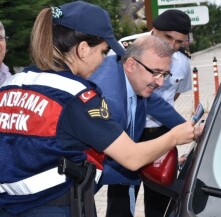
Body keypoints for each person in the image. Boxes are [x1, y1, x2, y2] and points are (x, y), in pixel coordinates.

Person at [0, 2, 194, 216]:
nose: (104, 60)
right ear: (83, 49)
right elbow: (132, 157)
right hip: (55, 207)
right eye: (103, 52)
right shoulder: (76, 96)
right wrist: (175, 137)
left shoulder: (12, 84)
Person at [89, 35, 190, 217]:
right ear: (131, 65)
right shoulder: (111, 103)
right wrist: (151, 159)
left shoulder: (134, 77)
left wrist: (191, 129)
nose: (160, 82)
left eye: (165, 74)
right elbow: (120, 160)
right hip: (75, 183)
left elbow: (155, 104)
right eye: (156, 72)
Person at [141, 9, 193, 217]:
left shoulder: (182, 62)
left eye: (179, 41)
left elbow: (177, 94)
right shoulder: (128, 51)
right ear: (154, 31)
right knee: (121, 199)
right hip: (128, 134)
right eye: (167, 37)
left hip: (163, 134)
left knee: (159, 201)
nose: (172, 46)